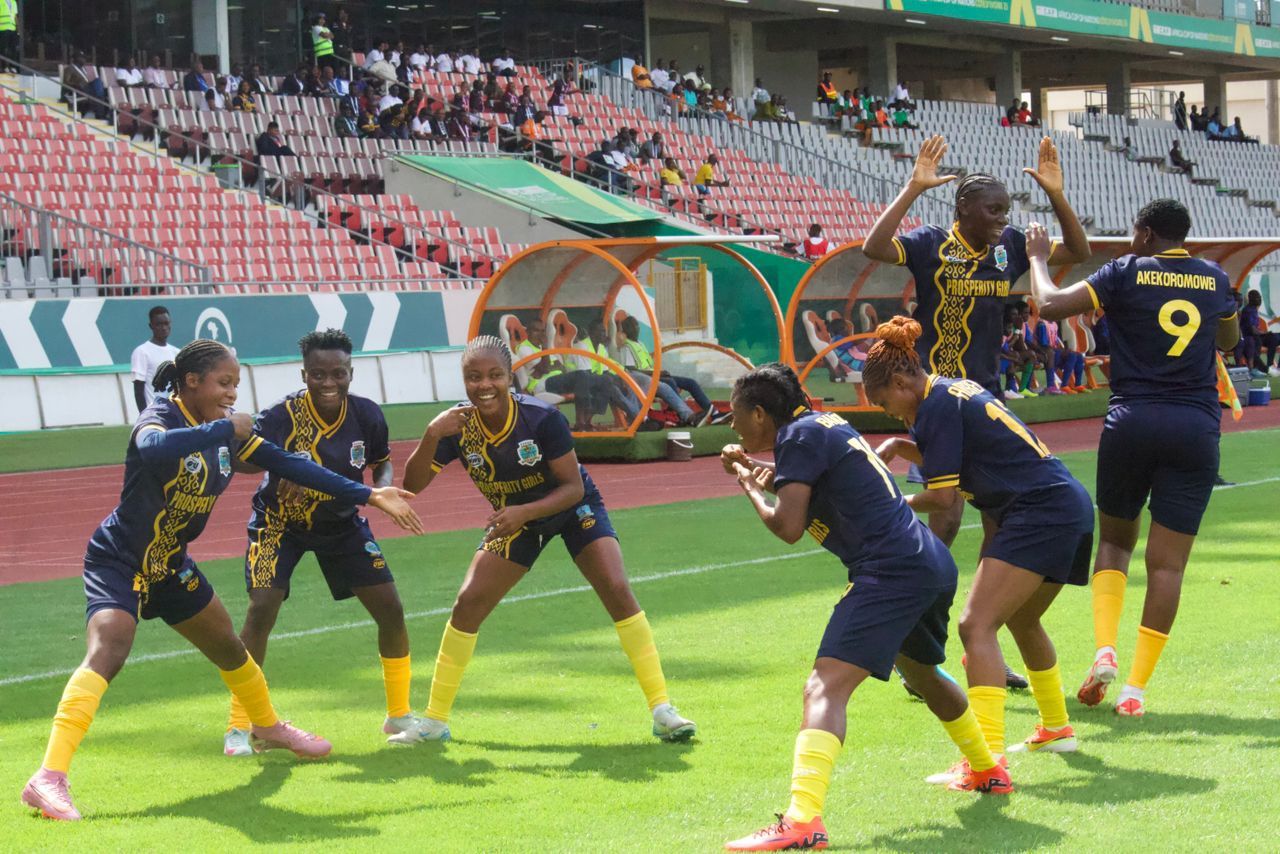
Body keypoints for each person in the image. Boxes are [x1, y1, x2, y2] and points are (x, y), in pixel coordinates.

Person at [19, 339, 423, 822]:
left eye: (236, 384)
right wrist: (223, 428)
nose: (232, 393)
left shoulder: (228, 431)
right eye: (224, 383)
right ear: (191, 382)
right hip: (120, 560)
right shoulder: (162, 417)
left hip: (170, 564)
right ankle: (48, 777)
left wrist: (369, 495)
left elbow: (291, 464)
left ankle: (266, 727)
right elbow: (151, 448)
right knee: (111, 647)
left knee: (231, 648)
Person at [719, 364, 1008, 851]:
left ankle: (802, 821)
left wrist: (746, 483)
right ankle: (987, 769)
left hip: (889, 571)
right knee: (921, 673)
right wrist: (759, 474)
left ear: (761, 414)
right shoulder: (822, 426)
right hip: (927, 562)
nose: (733, 426)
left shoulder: (796, 437)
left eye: (735, 415)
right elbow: (823, 492)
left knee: (824, 685)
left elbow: (788, 527)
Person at [400, 336, 696, 743]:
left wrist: (523, 512)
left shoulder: (541, 418)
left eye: (494, 375)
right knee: (468, 603)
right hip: (516, 520)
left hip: (571, 507)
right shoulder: (456, 426)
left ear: (510, 377)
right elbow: (412, 485)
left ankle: (662, 710)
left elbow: (573, 488)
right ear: (464, 380)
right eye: (473, 377)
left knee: (616, 587)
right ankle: (434, 722)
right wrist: (432, 433)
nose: (484, 385)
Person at [1024, 199, 1240, 718]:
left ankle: (1105, 650)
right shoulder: (1214, 277)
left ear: (1144, 234)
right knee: (1167, 565)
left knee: (1116, 542)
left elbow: (1049, 305)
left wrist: (1037, 258)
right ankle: (1135, 691)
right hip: (1194, 427)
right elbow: (1229, 340)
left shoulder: (1125, 271)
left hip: (1132, 422)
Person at [866, 317, 1092, 788]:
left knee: (976, 626)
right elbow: (963, 461)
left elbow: (943, 498)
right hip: (1066, 504)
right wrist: (900, 447)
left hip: (1038, 512)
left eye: (886, 403)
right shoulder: (951, 391)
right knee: (1022, 620)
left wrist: (892, 501)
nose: (890, 412)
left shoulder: (934, 407)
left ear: (902, 382)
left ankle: (986, 761)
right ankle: (1055, 728)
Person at [221, 330, 431, 755]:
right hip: (279, 523)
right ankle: (240, 726)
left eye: (338, 373)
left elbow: (381, 461)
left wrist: (383, 488)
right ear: (304, 374)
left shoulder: (367, 414)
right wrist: (285, 470)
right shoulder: (281, 415)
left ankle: (398, 714)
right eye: (318, 374)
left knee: (391, 610)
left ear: (351, 372)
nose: (329, 382)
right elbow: (243, 459)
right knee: (261, 609)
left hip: (341, 523)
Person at [616, 314, 728, 425]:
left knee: (691, 383)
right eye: (632, 326)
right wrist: (656, 373)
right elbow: (632, 371)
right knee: (669, 382)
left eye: (636, 325)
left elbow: (647, 364)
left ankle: (714, 413)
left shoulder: (640, 344)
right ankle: (684, 416)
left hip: (655, 375)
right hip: (646, 380)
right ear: (626, 330)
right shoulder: (627, 347)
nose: (636, 328)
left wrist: (658, 372)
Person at [131, 306, 179, 412]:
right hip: (154, 414)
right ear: (151, 326)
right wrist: (144, 415)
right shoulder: (142, 352)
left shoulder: (176, 352)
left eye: (166, 323)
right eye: (159, 324)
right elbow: (138, 391)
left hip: (175, 414)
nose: (164, 328)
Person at [0, 0, 18, 73]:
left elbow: (15, 16)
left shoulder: (14, 2)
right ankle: (4, 67)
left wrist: (18, 29)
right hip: (3, 28)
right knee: (3, 48)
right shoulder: (1, 2)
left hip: (12, 28)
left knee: (13, 49)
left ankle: (12, 66)